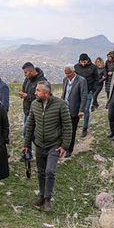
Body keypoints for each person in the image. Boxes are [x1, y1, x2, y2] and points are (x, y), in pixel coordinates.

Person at [23, 81, 72, 213]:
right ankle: (41, 195)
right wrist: (26, 144)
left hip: (54, 145)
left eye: (38, 90)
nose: (35, 93)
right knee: (41, 172)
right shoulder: (34, 104)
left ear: (46, 92)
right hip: (39, 144)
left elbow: (68, 126)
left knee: (50, 171)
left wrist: (64, 146)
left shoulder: (61, 105)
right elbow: (30, 125)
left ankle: (48, 199)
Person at [61, 64, 87, 157]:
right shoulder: (65, 80)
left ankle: (69, 150)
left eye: (68, 73)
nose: (67, 75)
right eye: (65, 73)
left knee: (71, 130)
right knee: (63, 129)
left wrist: (81, 110)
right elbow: (63, 94)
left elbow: (84, 96)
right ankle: (62, 146)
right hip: (64, 109)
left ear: (73, 71)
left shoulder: (81, 80)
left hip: (75, 110)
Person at [74, 53, 99, 137]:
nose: (83, 63)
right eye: (82, 62)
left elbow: (96, 79)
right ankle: (75, 125)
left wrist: (93, 89)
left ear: (88, 60)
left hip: (88, 92)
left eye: (85, 61)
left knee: (86, 109)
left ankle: (85, 128)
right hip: (78, 92)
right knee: (76, 108)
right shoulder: (76, 67)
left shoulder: (93, 67)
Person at [19, 62, 47, 137]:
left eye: (26, 72)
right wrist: (22, 94)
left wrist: (27, 96)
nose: (24, 75)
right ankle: (28, 148)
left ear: (31, 71)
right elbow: (24, 89)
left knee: (26, 133)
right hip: (27, 111)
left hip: (35, 112)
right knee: (28, 134)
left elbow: (42, 98)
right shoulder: (27, 79)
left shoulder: (42, 81)